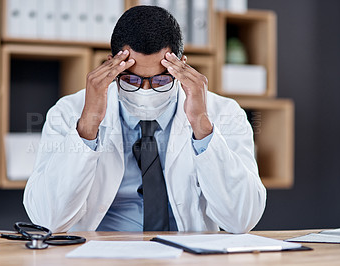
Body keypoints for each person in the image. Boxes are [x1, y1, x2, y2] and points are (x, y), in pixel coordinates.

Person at [23, 6, 266, 233]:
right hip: (101, 256)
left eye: (161, 80)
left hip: (185, 256)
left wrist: (201, 124)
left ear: (181, 67)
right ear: (112, 66)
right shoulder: (68, 112)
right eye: (131, 80)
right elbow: (48, 219)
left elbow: (242, 220)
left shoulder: (225, 113)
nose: (146, 91)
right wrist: (89, 124)